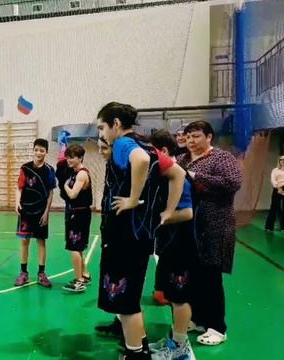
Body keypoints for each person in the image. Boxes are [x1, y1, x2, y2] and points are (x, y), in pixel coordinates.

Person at [96, 102, 185, 360]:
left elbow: (141, 160)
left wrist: (134, 198)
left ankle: (136, 355)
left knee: (125, 303)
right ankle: (141, 346)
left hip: (124, 236)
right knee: (130, 295)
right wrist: (167, 212)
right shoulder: (149, 145)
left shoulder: (124, 144)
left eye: (103, 127)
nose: (102, 133)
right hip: (141, 235)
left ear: (115, 124)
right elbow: (179, 174)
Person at [177, 120, 242, 346]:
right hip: (189, 226)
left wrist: (196, 176)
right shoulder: (182, 159)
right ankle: (197, 319)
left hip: (215, 226)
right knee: (193, 276)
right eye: (188, 137)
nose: (191, 141)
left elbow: (234, 182)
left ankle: (217, 327)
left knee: (211, 278)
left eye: (196, 136)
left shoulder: (221, 158)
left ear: (209, 136)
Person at [149, 129, 197, 359]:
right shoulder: (166, 177)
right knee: (171, 295)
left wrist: (155, 220)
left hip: (182, 245)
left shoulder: (180, 179)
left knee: (179, 298)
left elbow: (187, 213)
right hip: (170, 244)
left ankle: (180, 348)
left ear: (164, 151)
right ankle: (175, 341)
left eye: (153, 151)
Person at [14, 138, 56, 288]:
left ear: (46, 152)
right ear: (33, 150)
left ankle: (41, 273)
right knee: (24, 242)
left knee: (41, 242)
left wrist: (46, 212)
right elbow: (19, 187)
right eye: (36, 150)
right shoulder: (25, 168)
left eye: (42, 150)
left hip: (41, 212)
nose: (39, 153)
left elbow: (51, 193)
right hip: (26, 210)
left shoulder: (50, 170)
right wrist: (17, 202)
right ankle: (23, 273)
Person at [56, 144, 93, 293]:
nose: (69, 160)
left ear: (80, 158)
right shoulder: (74, 172)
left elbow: (72, 195)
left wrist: (64, 186)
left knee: (74, 248)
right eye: (68, 157)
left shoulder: (82, 174)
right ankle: (84, 274)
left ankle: (79, 282)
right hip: (75, 212)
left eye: (72, 157)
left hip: (79, 214)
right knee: (78, 247)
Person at [265, 155, 284, 231]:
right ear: (279, 161)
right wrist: (278, 188)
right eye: (281, 160)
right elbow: (273, 180)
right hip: (277, 189)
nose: (283, 161)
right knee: (274, 208)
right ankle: (269, 227)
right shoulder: (275, 170)